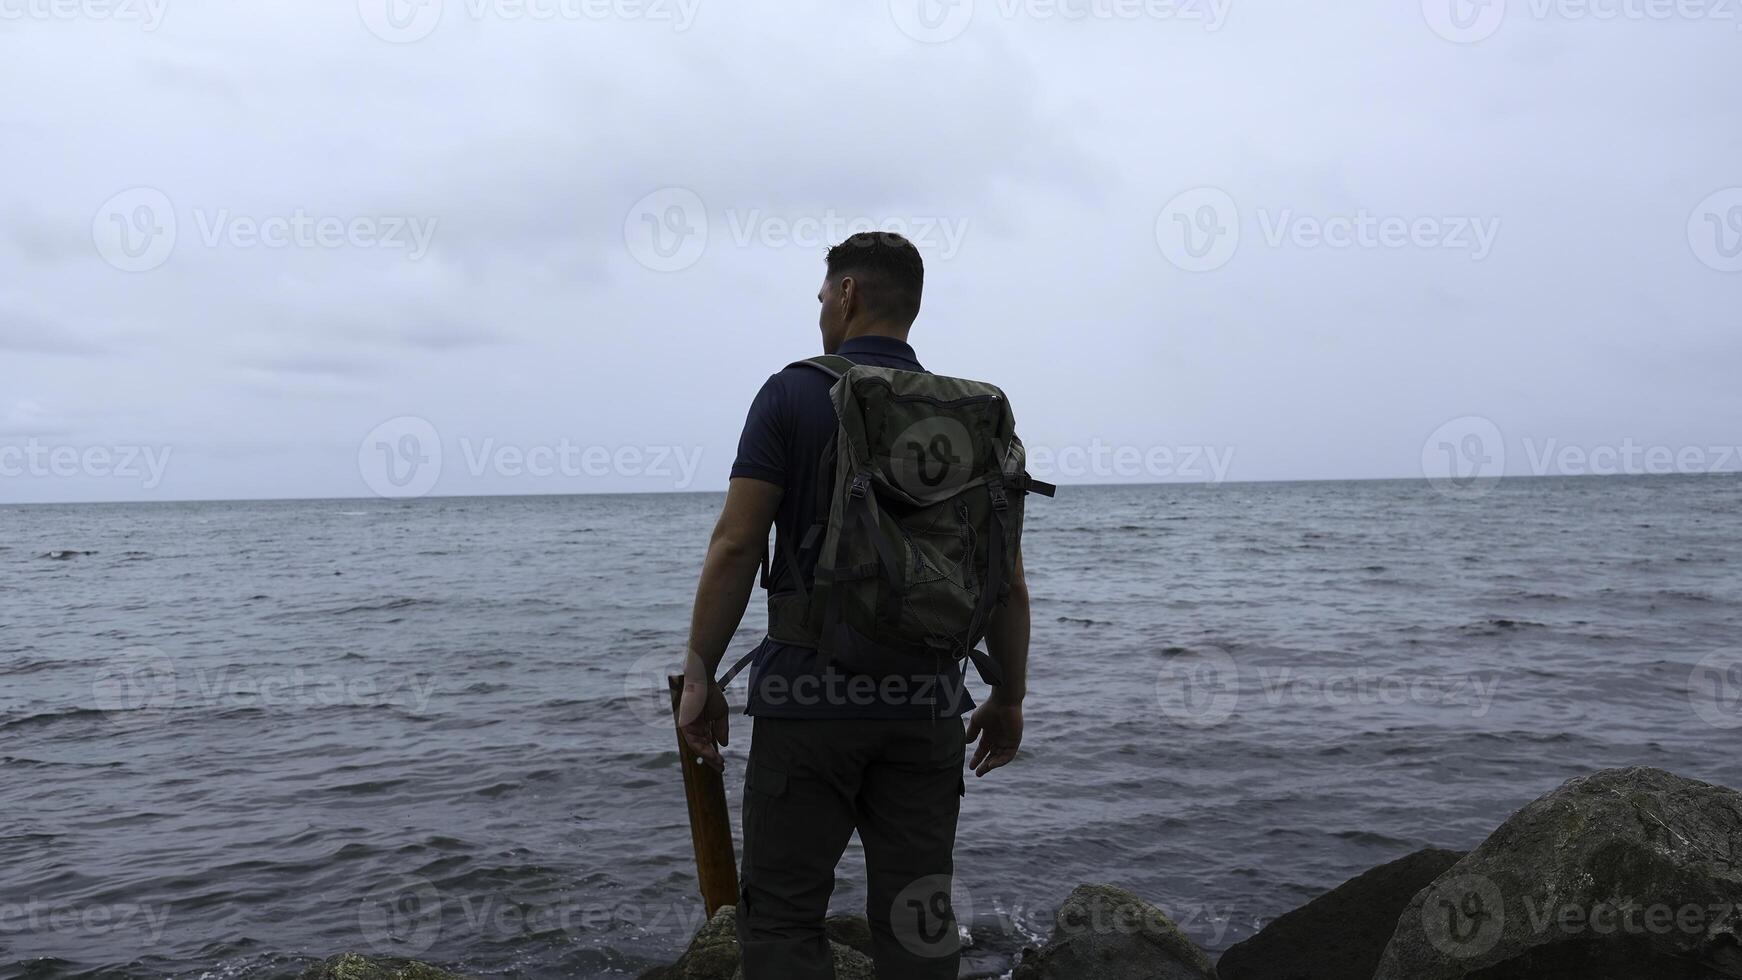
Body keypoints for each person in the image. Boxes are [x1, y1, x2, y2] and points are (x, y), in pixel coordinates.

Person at [676, 231, 1032, 980]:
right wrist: (1008, 694)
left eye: (820, 297)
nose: (819, 313)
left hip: (809, 696)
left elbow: (737, 546)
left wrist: (701, 670)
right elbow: (1006, 577)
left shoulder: (792, 392)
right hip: (927, 699)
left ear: (847, 294)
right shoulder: (971, 416)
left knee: (781, 916)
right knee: (919, 917)